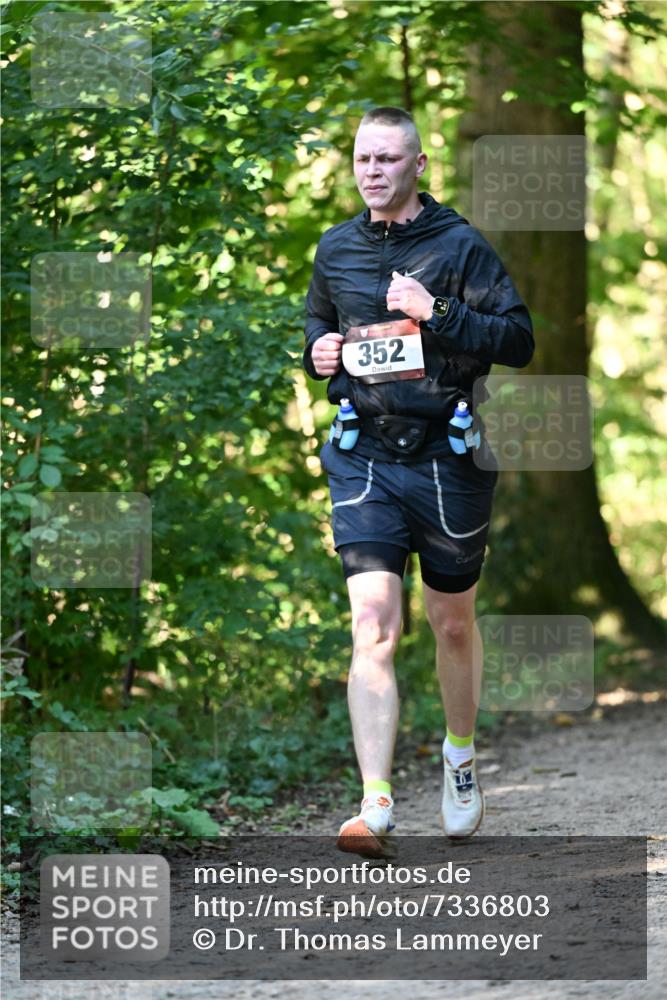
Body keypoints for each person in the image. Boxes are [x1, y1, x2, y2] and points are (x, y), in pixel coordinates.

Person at [303, 106, 534, 858]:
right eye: (362, 159)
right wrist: (320, 352)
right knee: (372, 626)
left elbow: (518, 339)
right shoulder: (334, 248)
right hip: (362, 455)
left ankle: (459, 758)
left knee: (451, 623)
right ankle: (373, 804)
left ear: (418, 165)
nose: (372, 171)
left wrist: (435, 311)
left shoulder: (459, 245)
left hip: (445, 458)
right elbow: (313, 331)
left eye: (387, 160)